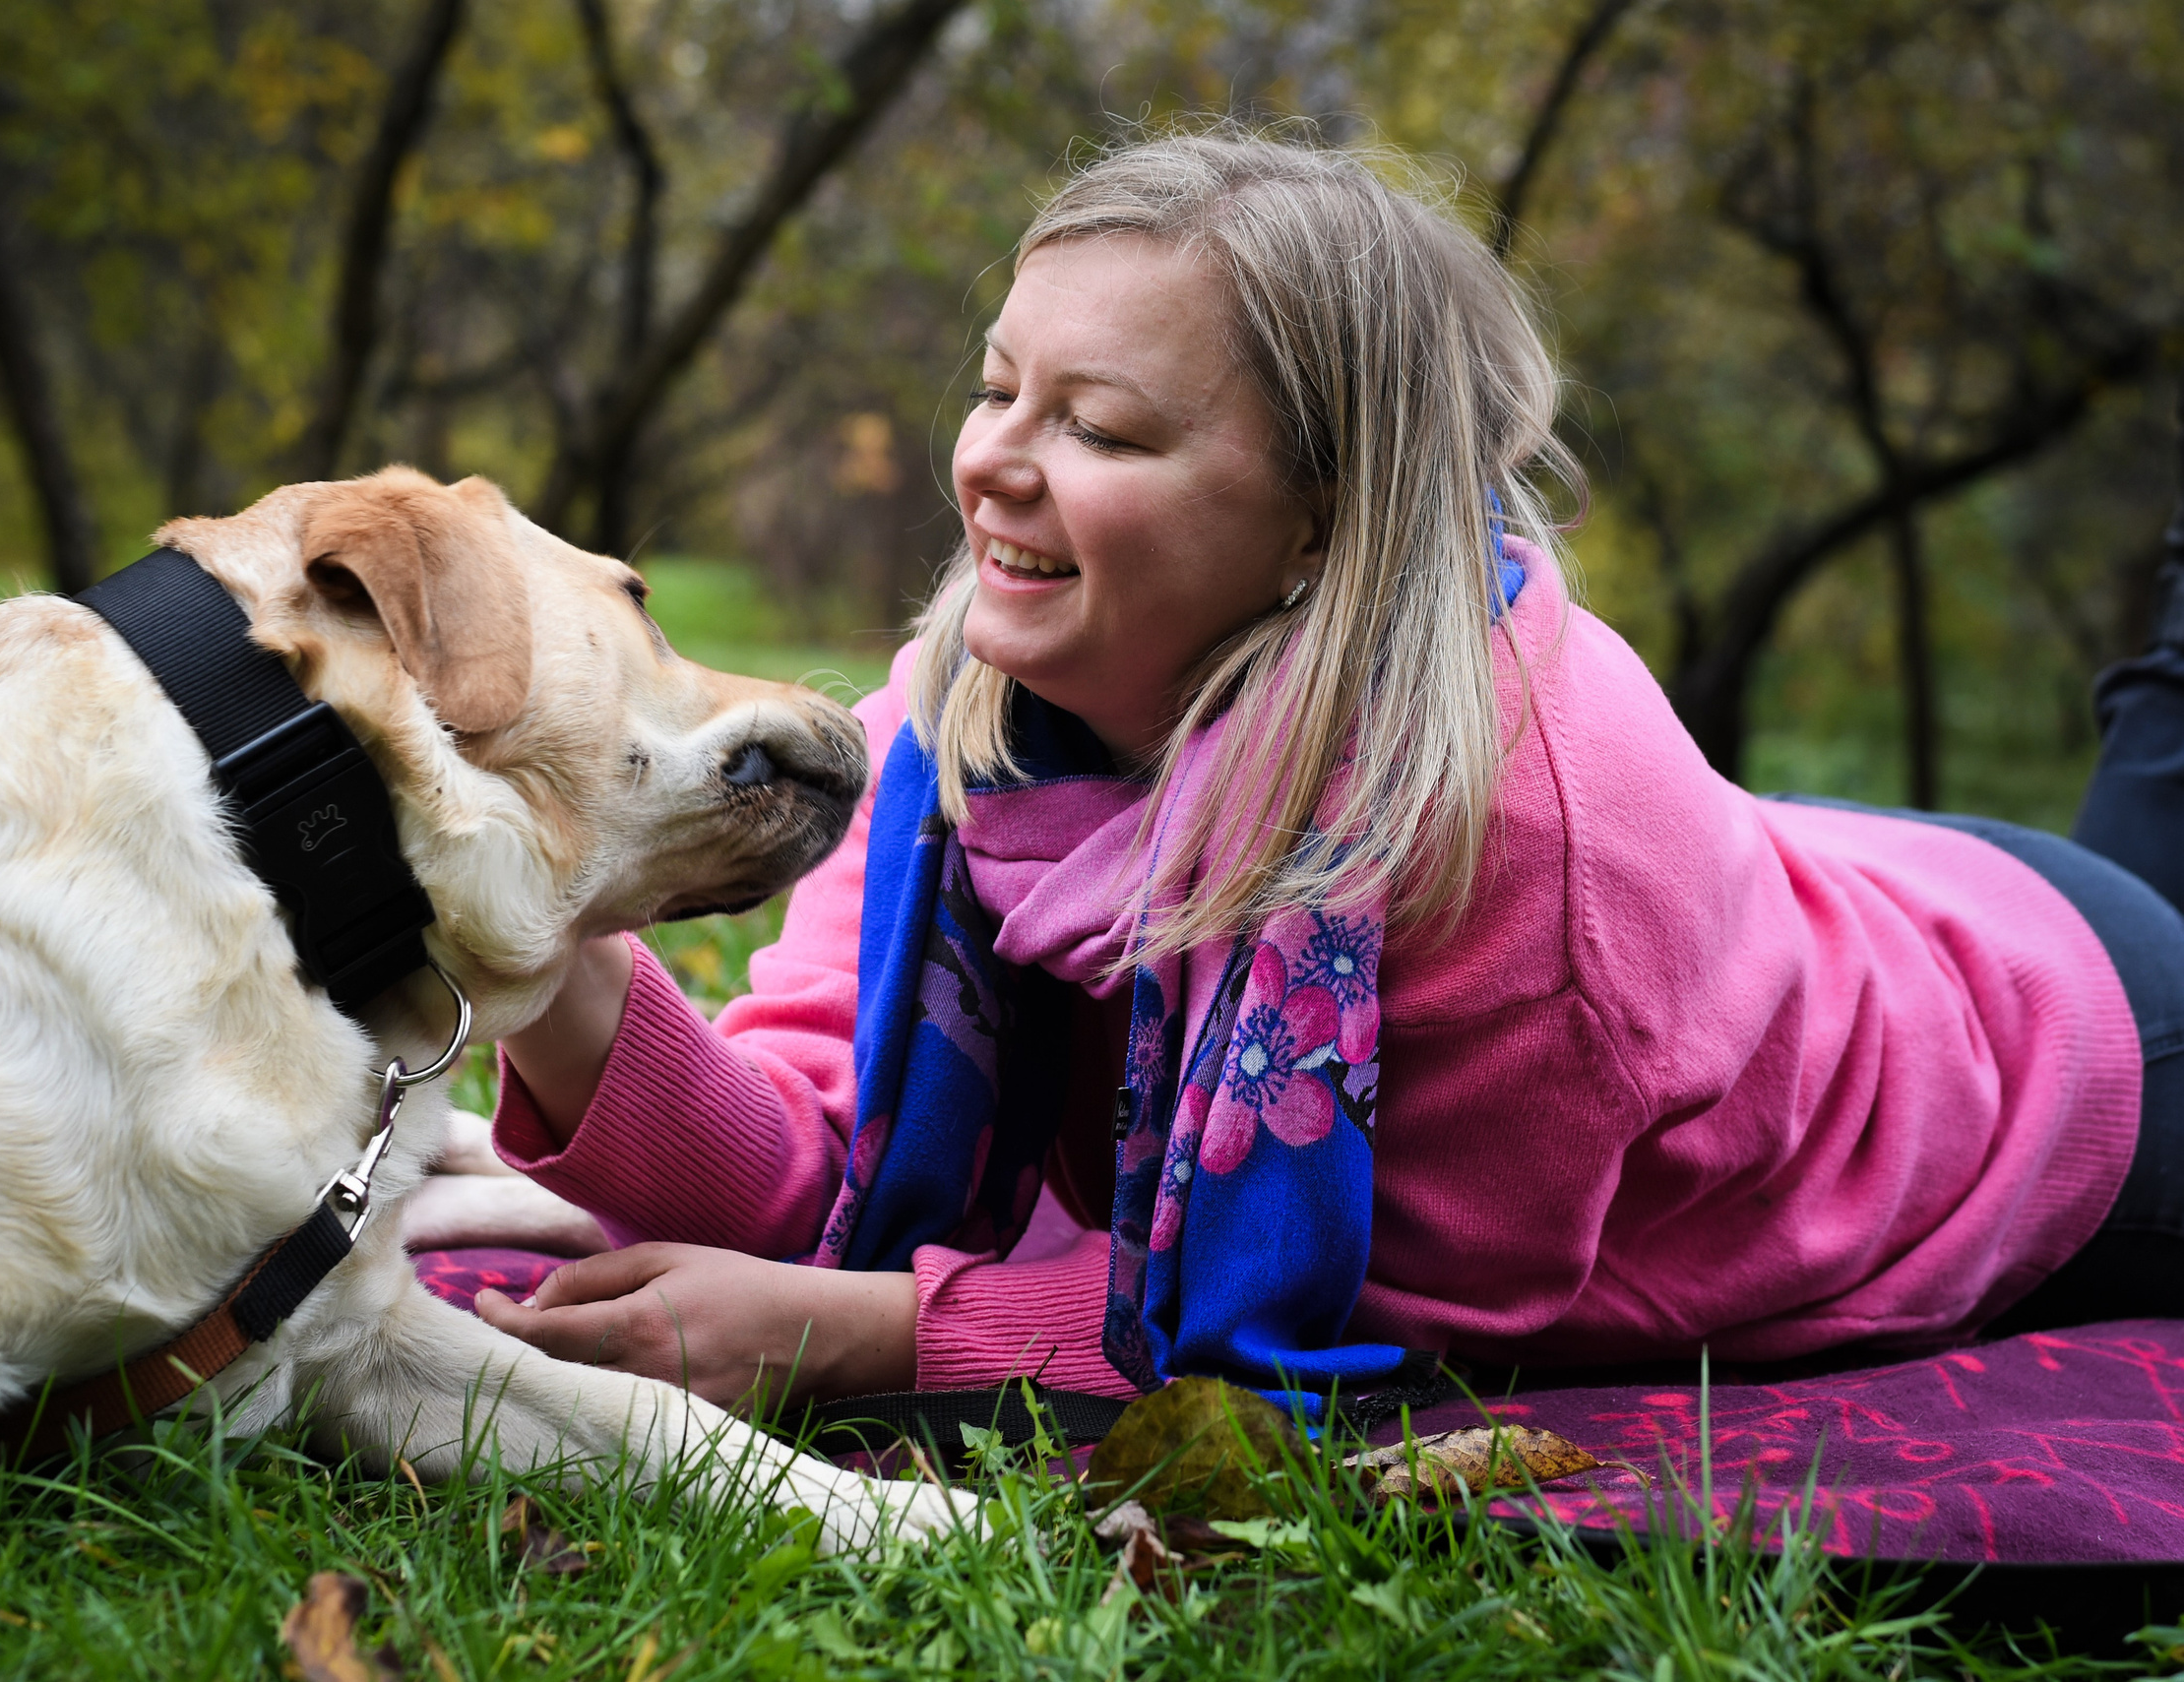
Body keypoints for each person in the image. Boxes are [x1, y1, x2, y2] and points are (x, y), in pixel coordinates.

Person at [469, 130, 2184, 1415]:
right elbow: (805, 1172)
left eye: (1104, 428)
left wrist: (881, 1335)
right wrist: (536, 942)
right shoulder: (967, 718)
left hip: (2063, 1070)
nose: (991, 463)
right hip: (1846, 884)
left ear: (1320, 519)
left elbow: (1376, 1348)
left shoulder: (1521, 857)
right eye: (1000, 389)